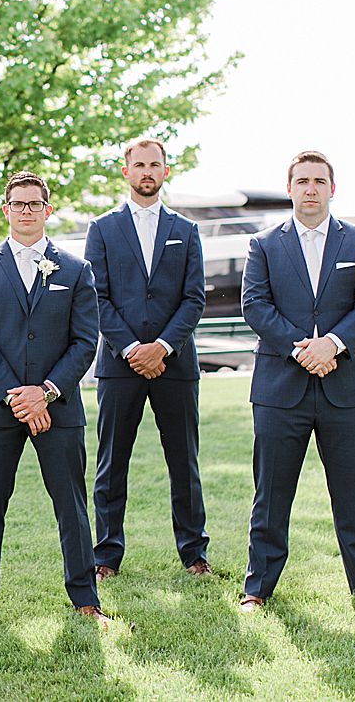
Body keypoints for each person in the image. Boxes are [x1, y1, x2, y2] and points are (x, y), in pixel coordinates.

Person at [238, 151, 355, 612]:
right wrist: (302, 348)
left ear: (333, 189)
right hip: (280, 388)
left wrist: (331, 345)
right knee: (271, 494)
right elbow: (255, 305)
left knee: (354, 493)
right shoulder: (264, 245)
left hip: (347, 387)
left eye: (319, 180)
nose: (310, 188)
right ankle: (257, 589)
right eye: (302, 181)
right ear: (290, 187)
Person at [0, 171, 109, 626]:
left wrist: (44, 392)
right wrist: (18, 397)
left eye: (34, 203)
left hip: (57, 407)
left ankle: (86, 599)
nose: (26, 211)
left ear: (48, 210)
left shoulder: (76, 270)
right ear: (5, 211)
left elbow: (85, 341)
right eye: (17, 204)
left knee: (71, 505)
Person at [85, 137, 209, 581]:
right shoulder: (101, 229)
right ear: (126, 171)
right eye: (139, 165)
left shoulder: (186, 230)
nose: (147, 172)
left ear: (166, 171)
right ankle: (105, 555)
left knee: (184, 461)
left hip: (175, 365)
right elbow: (95, 296)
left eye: (155, 165)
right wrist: (133, 348)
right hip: (120, 365)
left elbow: (194, 298)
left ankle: (194, 552)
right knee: (111, 462)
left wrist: (163, 346)